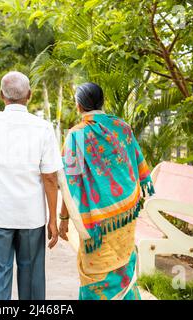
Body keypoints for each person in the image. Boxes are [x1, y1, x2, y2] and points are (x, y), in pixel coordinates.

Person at [0, 71, 64, 300]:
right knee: (32, 277)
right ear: (29, 95)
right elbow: (50, 177)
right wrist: (53, 220)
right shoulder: (43, 128)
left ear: (1, 95)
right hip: (31, 216)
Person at [57, 82, 154, 300]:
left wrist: (63, 218)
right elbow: (136, 165)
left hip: (96, 222)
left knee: (97, 271)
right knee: (123, 265)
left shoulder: (76, 136)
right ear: (102, 102)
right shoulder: (123, 127)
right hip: (125, 215)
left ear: (79, 105)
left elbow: (69, 184)